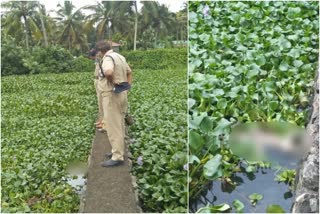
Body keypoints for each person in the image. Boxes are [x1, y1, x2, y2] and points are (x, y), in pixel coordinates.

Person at [95, 40, 133, 167]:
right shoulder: (119, 56)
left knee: (113, 126)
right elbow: (129, 71)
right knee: (120, 123)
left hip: (111, 95)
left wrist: (113, 81)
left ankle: (117, 156)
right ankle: (117, 151)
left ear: (101, 51)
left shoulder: (107, 59)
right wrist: (127, 85)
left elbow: (108, 72)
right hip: (121, 93)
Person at [89, 49, 103, 129]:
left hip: (100, 81)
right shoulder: (98, 60)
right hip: (97, 80)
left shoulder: (102, 59)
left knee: (101, 102)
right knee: (99, 102)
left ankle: (103, 122)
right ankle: (101, 120)